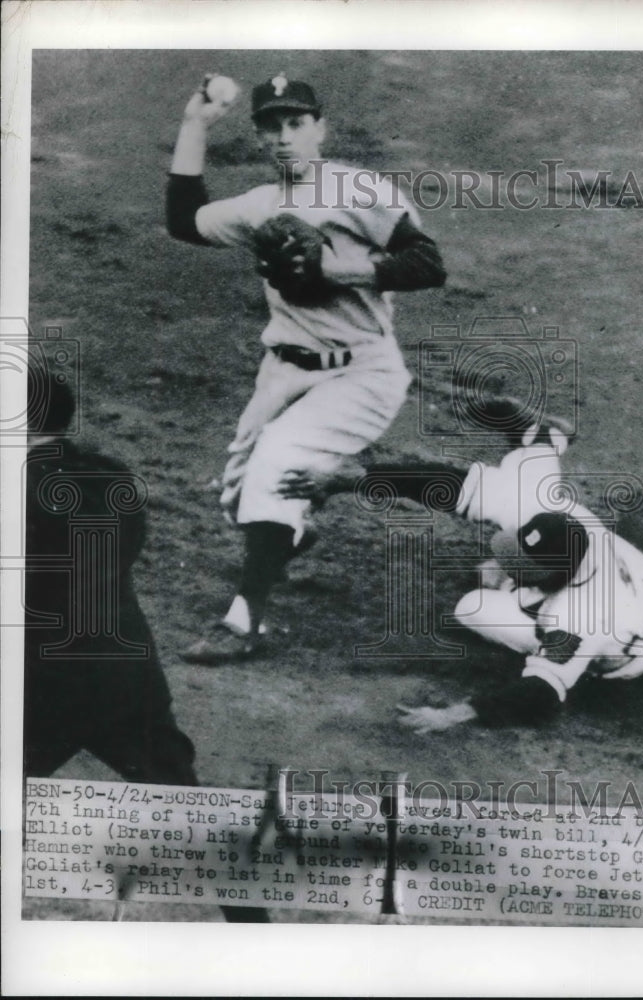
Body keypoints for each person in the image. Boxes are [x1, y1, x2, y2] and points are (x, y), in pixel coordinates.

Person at [166, 72, 446, 664]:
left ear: (320, 128)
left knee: (277, 466)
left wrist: (336, 271)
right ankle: (292, 530)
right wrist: (194, 126)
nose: (284, 138)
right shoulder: (259, 206)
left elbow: (427, 262)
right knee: (242, 499)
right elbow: (183, 221)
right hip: (284, 374)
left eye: (296, 124)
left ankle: (243, 625)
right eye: (271, 127)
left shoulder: (357, 190)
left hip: (361, 373)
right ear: (260, 136)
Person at [24, 371, 269, 921]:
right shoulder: (113, 477)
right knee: (194, 814)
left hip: (38, 688)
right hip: (124, 676)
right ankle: (261, 936)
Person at [277, 415, 643, 731]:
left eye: (522, 569)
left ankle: (543, 445)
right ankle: (544, 438)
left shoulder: (576, 621)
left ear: (554, 578)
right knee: (522, 489)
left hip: (631, 646)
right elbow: (453, 486)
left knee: (475, 606)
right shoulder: (554, 518)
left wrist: (455, 714)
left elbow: (542, 693)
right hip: (636, 572)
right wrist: (358, 478)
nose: (510, 564)